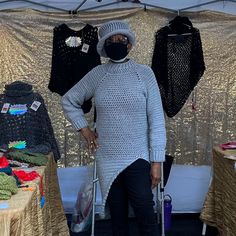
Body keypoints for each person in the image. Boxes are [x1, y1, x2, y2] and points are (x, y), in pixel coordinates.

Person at [62, 20, 166, 236]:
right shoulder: (98, 74)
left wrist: (157, 162)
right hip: (107, 157)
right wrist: (86, 130)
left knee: (146, 215)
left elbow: (156, 119)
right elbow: (69, 100)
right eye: (111, 40)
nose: (117, 43)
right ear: (104, 45)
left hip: (138, 157)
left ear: (129, 44)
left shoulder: (144, 74)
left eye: (121, 39)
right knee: (117, 219)